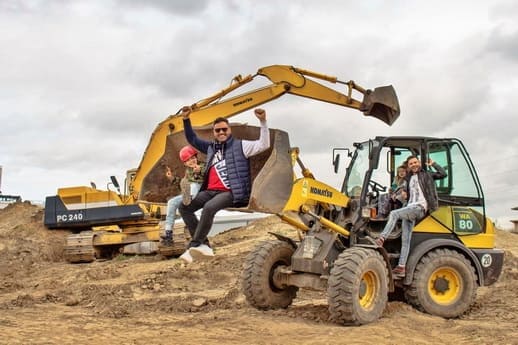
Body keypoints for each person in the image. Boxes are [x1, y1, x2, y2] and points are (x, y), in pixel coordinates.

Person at [178, 106, 270, 263]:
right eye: (217, 130)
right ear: (214, 133)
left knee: (209, 208)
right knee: (184, 207)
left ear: (229, 130)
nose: (221, 132)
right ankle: (204, 245)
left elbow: (264, 144)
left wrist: (263, 121)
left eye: (224, 129)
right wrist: (186, 119)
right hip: (210, 191)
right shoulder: (211, 148)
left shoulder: (242, 146)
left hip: (231, 192)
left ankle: (194, 245)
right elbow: (192, 139)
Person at [375, 155, 446, 278]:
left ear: (419, 163)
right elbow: (409, 195)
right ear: (409, 166)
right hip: (410, 207)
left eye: (415, 162)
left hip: (419, 208)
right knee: (405, 240)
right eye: (411, 163)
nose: (413, 165)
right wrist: (404, 194)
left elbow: (443, 174)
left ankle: (382, 238)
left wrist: (433, 163)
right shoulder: (408, 179)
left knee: (394, 213)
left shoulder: (427, 175)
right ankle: (401, 267)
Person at [160, 145, 205, 246]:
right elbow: (183, 186)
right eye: (188, 160)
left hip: (200, 191)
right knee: (171, 202)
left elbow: (206, 173)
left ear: (196, 157)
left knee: (194, 185)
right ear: (185, 163)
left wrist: (199, 171)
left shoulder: (202, 166)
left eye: (193, 158)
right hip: (188, 193)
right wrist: (172, 178)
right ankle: (168, 234)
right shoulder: (187, 172)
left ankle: (189, 199)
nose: (192, 161)